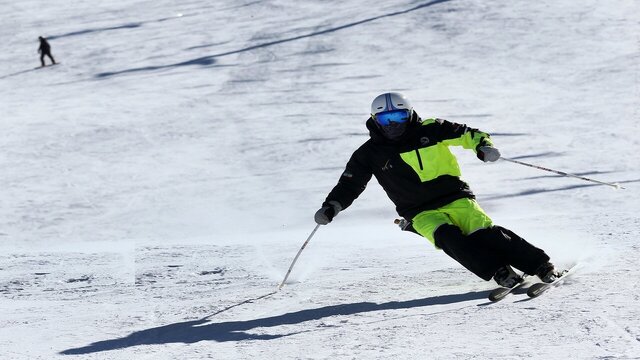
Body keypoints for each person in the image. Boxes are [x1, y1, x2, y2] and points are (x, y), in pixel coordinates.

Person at [314, 92, 561, 288]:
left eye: (398, 117)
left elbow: (469, 134)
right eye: (385, 120)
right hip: (418, 211)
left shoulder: (431, 129)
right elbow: (350, 183)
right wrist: (332, 206)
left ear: (409, 114)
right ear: (375, 120)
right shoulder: (368, 153)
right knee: (449, 238)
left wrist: (483, 147)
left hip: (455, 196)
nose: (393, 125)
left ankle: (541, 266)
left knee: (485, 233)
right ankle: (500, 272)